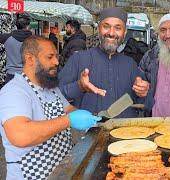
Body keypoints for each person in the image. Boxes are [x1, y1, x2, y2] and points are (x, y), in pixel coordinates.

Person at [0, 36, 101, 179]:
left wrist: (91, 118)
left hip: (60, 172)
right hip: (31, 175)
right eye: (50, 57)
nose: (57, 62)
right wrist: (69, 120)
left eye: (57, 56)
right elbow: (20, 135)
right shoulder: (14, 91)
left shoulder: (50, 88)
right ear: (30, 59)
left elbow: (67, 110)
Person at [59, 7, 149, 117]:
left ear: (124, 33)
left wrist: (143, 93)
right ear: (98, 29)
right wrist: (79, 86)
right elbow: (56, 97)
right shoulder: (78, 59)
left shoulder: (130, 65)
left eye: (118, 28)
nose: (111, 33)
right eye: (106, 26)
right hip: (88, 132)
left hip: (124, 132)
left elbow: (145, 105)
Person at [0, 15, 32, 84]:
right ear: (28, 26)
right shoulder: (34, 40)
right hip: (28, 75)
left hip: (11, 75)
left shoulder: (6, 38)